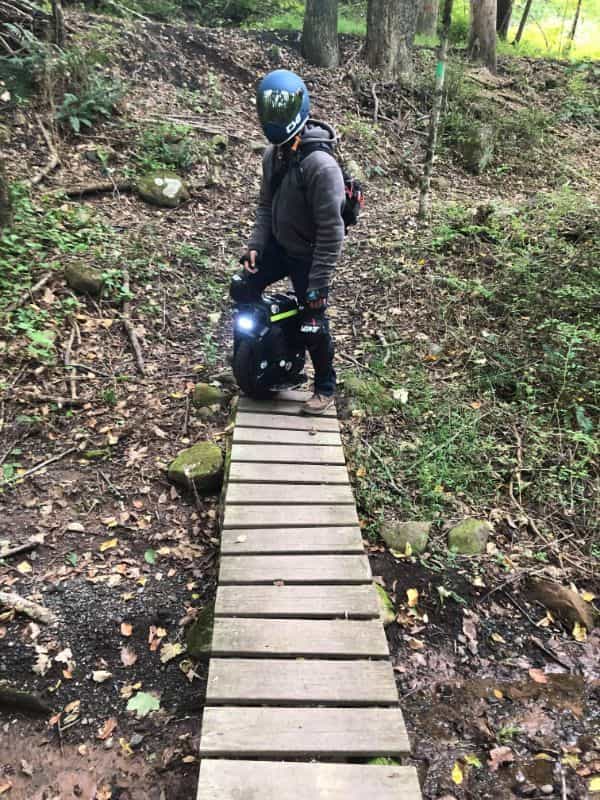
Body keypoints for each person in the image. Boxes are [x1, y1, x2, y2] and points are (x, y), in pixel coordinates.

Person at [238, 68, 345, 415]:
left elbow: (332, 232)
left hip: (309, 257)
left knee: (312, 322)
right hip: (280, 247)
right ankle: (257, 356)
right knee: (242, 286)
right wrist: (256, 246)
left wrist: (317, 286)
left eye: (281, 110)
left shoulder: (321, 166)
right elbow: (265, 206)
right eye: (269, 109)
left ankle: (325, 386)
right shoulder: (273, 155)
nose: (274, 116)